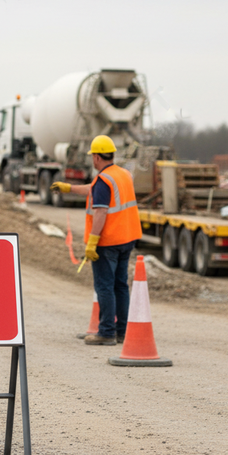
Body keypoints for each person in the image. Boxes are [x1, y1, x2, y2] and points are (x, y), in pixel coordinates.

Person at [51, 135, 142, 345]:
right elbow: (93, 189)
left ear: (97, 158)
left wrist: (92, 242)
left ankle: (106, 332)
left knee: (104, 286)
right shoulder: (121, 174)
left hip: (108, 241)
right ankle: (122, 332)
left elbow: (100, 212)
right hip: (127, 238)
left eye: (93, 156)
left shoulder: (104, 180)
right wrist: (69, 188)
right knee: (120, 286)